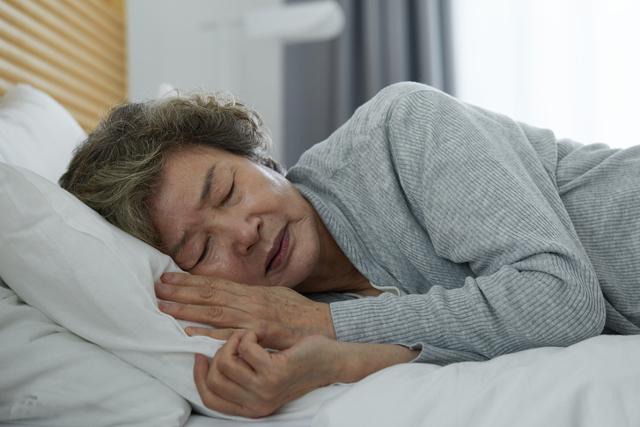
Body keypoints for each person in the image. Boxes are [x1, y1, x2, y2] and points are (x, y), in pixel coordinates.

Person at [59, 82, 640, 418]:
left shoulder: (401, 129)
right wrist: (337, 361)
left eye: (231, 191)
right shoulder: (286, 318)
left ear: (263, 161)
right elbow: (473, 338)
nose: (243, 232)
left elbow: (560, 301)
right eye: (200, 248)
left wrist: (323, 323)